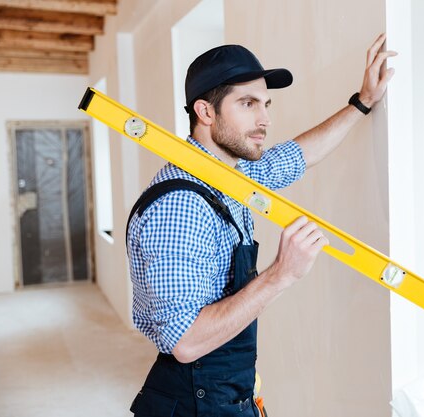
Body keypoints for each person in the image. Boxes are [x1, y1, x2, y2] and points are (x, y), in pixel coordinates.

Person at [127, 34, 396, 416]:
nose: (265, 119)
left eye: (266, 104)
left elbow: (299, 155)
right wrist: (281, 274)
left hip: (226, 395)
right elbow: (185, 341)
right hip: (191, 405)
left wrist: (362, 102)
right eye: (248, 104)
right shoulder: (182, 204)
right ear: (205, 111)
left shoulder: (231, 177)